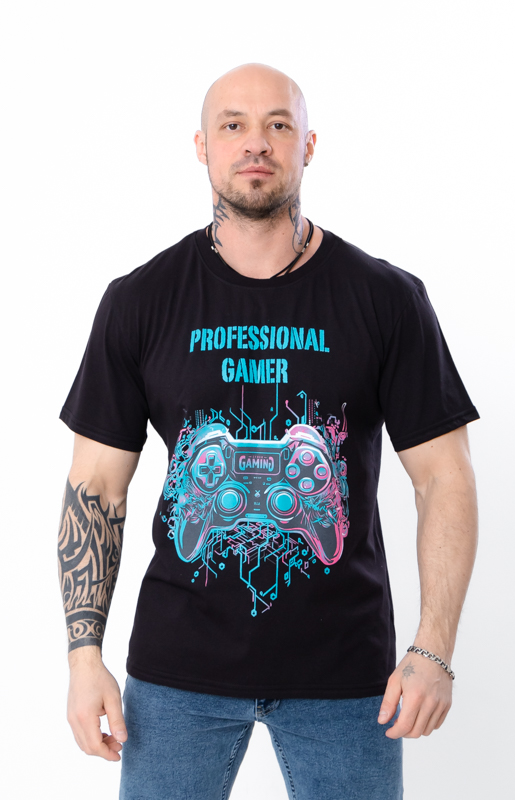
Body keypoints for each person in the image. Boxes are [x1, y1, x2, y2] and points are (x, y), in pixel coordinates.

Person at [58, 62, 479, 800]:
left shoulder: (385, 298)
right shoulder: (141, 301)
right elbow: (96, 487)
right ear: (202, 146)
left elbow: (443, 477)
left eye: (278, 125)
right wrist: (82, 658)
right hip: (177, 670)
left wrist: (434, 649)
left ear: (308, 145)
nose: (256, 143)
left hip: (346, 671)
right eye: (234, 125)